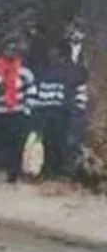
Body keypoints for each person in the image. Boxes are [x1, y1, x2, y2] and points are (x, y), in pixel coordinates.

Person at [0, 38, 35, 188]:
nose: (10, 52)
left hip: (17, 113)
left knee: (15, 146)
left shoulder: (24, 72)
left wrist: (27, 111)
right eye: (7, 49)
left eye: (13, 50)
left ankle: (13, 178)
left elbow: (32, 92)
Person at [30, 44, 84, 179]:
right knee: (47, 143)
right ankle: (48, 170)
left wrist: (77, 109)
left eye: (55, 54)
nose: (52, 56)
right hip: (45, 112)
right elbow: (35, 92)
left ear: (62, 56)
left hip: (63, 113)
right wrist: (34, 109)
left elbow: (79, 93)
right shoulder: (43, 71)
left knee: (62, 143)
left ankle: (63, 171)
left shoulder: (72, 72)